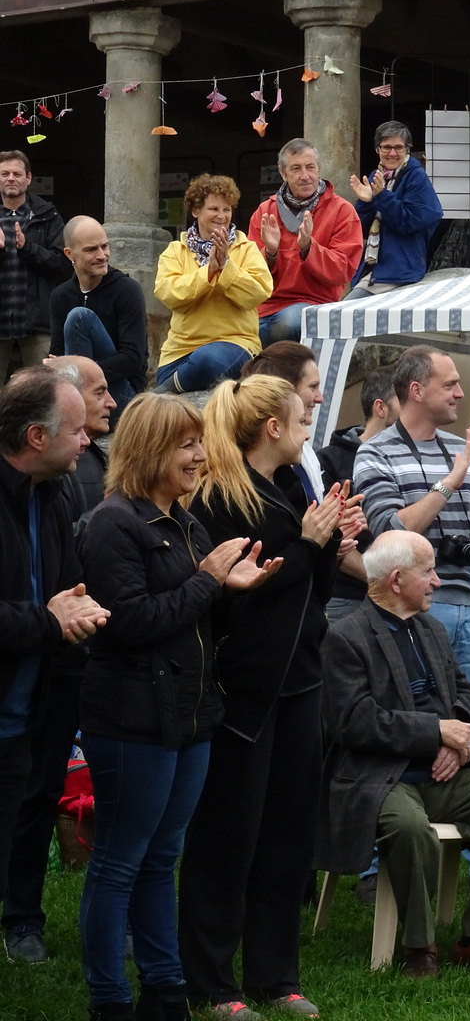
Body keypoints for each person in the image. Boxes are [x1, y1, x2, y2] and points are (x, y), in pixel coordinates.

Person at [77, 392, 281, 1021]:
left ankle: (164, 992)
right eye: (187, 445)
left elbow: (194, 621)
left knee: (161, 856)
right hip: (132, 719)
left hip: (189, 716)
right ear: (149, 450)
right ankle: (111, 998)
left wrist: (230, 593)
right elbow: (130, 622)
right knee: (118, 860)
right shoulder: (115, 523)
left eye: (199, 444)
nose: (200, 456)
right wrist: (207, 583)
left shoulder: (185, 521)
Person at [179, 375, 362, 1021]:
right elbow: (248, 602)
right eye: (302, 417)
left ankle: (275, 975)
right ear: (272, 429)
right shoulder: (222, 500)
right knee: (229, 838)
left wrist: (330, 541)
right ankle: (210, 983)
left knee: (287, 836)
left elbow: (311, 599)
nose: (312, 425)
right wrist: (312, 543)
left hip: (300, 685)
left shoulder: (290, 488)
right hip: (245, 691)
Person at [316, 530, 470, 978]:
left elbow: (467, 693)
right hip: (379, 777)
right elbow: (353, 721)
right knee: (410, 828)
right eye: (428, 571)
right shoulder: (345, 637)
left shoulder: (430, 629)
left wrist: (457, 739)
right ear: (396, 580)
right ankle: (420, 946)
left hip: (442, 771)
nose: (437, 581)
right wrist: (435, 731)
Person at [353, 346, 470, 777]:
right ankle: (417, 834)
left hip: (466, 601)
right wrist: (450, 482)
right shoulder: (375, 451)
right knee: (422, 728)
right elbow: (390, 530)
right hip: (410, 609)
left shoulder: (462, 449)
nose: (461, 393)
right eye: (449, 384)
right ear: (416, 390)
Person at [2, 356, 115, 964]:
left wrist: (72, 612)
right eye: (76, 430)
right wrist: (49, 620)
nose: (90, 438)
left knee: (32, 804)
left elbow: (69, 589)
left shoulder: (55, 491)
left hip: (35, 699)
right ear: (35, 436)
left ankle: (22, 919)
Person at [155, 175, 272, 394]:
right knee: (195, 362)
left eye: (227, 209)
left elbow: (259, 292)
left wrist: (226, 266)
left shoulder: (246, 248)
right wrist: (208, 272)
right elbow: (167, 292)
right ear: (195, 211)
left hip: (235, 344)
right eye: (214, 209)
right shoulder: (175, 250)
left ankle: (157, 397)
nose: (221, 216)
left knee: (207, 359)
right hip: (179, 352)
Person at [248, 139, 362, 345]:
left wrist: (309, 248)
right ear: (283, 173)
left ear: (319, 169)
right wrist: (270, 252)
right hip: (265, 306)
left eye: (310, 167)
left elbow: (344, 270)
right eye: (296, 168)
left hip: (313, 305)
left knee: (288, 323)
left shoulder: (342, 211)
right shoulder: (265, 212)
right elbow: (248, 271)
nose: (305, 175)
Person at [318, 364, 399, 623]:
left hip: (400, 597)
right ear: (380, 408)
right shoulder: (330, 460)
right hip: (349, 599)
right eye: (404, 400)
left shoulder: (410, 461)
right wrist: (380, 578)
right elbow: (328, 537)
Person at [49, 217, 148, 418]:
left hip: (122, 394)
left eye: (105, 246)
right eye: (91, 249)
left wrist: (78, 371)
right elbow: (57, 355)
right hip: (78, 394)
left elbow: (133, 359)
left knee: (79, 317)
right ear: (69, 254)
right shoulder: (61, 296)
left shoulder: (126, 290)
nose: (102, 255)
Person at [346, 121, 443, 299]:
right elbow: (358, 230)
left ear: (408, 149)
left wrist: (382, 196)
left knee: (343, 315)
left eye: (398, 147)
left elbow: (408, 222)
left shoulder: (416, 177)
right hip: (373, 268)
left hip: (399, 271)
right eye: (386, 147)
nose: (392, 153)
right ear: (377, 149)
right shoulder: (378, 175)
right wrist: (365, 202)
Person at [0, 150, 69, 384]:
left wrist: (27, 247)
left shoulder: (47, 215)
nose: (11, 178)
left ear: (28, 178)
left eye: (17, 174)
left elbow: (62, 265)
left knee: (40, 392)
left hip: (36, 322)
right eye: (5, 173)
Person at [242, 341, 325, 503]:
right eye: (313, 387)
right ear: (286, 390)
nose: (320, 398)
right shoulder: (252, 474)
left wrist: (334, 522)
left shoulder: (305, 452)